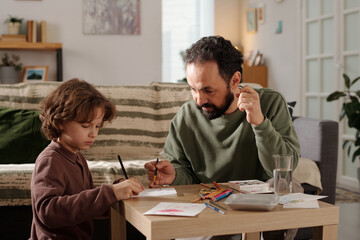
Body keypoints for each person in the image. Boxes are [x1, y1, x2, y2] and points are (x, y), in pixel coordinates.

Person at [144, 36, 301, 240]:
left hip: (260, 205)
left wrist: (259, 123)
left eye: (208, 90)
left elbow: (285, 168)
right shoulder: (186, 116)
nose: (199, 100)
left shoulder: (270, 103)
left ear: (234, 80)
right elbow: (184, 172)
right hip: (213, 203)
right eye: (193, 89)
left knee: (290, 187)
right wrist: (172, 175)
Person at [30, 79, 144, 240]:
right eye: (85, 125)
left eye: (97, 126)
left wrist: (116, 192)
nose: (93, 133)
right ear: (60, 122)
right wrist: (108, 193)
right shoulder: (50, 160)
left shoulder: (78, 158)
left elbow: (88, 206)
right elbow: (48, 212)